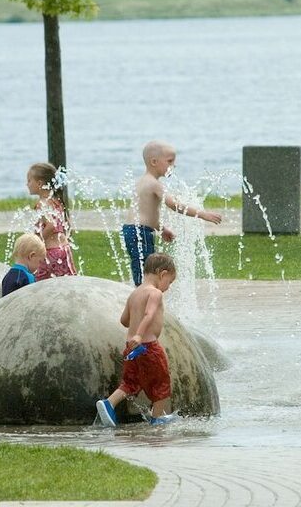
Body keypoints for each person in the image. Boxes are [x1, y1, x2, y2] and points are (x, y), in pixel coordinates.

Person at [96, 253, 179, 427]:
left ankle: (109, 403)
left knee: (130, 382)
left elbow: (124, 321)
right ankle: (157, 418)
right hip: (148, 347)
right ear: (162, 274)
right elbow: (149, 314)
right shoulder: (155, 293)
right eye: (169, 282)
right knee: (162, 382)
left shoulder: (134, 294)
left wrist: (135, 329)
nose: (168, 287)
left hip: (131, 348)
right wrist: (140, 335)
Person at [123, 141, 222, 286]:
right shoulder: (153, 184)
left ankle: (141, 296)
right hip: (140, 231)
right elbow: (175, 205)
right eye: (170, 161)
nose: (173, 165)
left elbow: (145, 213)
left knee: (143, 269)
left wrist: (162, 229)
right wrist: (202, 214)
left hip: (134, 230)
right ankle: (144, 299)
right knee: (148, 272)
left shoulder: (142, 182)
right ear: (154, 162)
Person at [26, 162, 77, 280]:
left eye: (29, 181)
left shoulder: (42, 204)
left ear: (39, 183)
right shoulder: (56, 201)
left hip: (50, 252)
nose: (27, 184)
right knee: (69, 282)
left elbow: (51, 226)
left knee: (40, 284)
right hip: (64, 249)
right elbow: (66, 224)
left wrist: (36, 241)